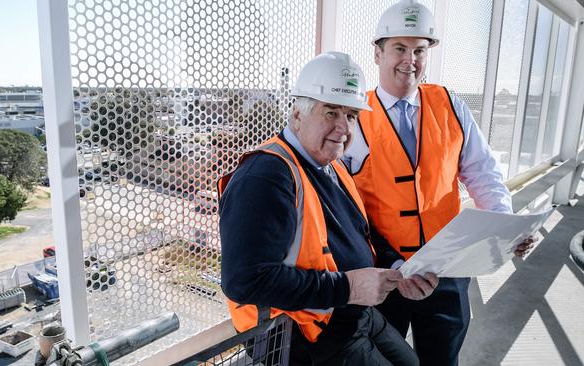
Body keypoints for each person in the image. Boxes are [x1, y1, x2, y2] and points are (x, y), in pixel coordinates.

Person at [343, 1, 536, 365]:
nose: (410, 60)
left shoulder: (451, 106)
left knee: (442, 359)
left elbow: (484, 174)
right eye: (400, 48)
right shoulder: (354, 117)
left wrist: (505, 226)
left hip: (447, 271)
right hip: (384, 274)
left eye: (419, 50)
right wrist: (389, 267)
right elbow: (341, 206)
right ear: (377, 52)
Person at [219, 52, 419, 365]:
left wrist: (397, 267)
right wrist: (348, 288)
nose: (343, 126)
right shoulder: (266, 176)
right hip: (307, 338)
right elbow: (244, 281)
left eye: (351, 115)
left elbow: (360, 232)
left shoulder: (331, 166)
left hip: (353, 315)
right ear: (297, 115)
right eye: (331, 112)